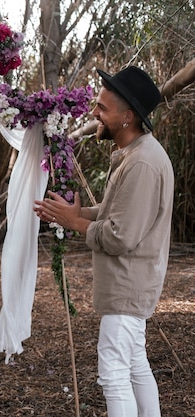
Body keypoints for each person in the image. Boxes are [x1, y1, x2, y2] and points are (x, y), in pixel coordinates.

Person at [33, 66, 173, 417]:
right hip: (129, 286)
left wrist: (74, 222)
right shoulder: (134, 155)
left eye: (101, 108)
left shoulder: (142, 162)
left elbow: (120, 236)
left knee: (113, 373)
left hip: (129, 286)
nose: (94, 113)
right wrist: (78, 213)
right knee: (135, 364)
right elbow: (119, 214)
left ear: (127, 117)